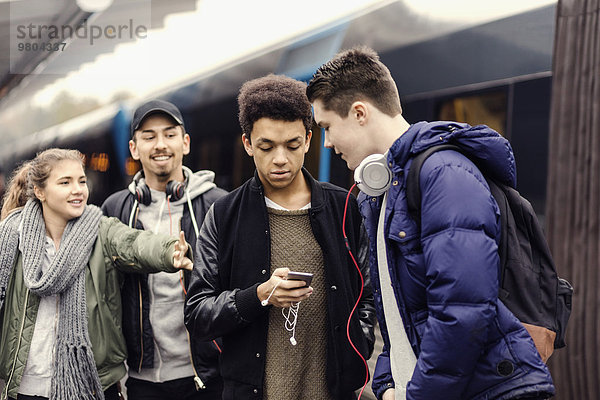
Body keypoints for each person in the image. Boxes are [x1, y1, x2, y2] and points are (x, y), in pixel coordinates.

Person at [306, 46, 555, 400]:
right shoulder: (381, 191)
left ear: (359, 112)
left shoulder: (444, 174)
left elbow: (462, 312)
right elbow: (397, 311)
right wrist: (388, 382)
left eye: (328, 127)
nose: (328, 143)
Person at [184, 74, 376, 399]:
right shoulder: (224, 215)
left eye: (292, 145)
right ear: (247, 144)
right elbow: (198, 314)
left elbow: (367, 295)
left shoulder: (344, 207)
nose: (280, 159)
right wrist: (258, 296)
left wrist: (360, 341)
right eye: (266, 146)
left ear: (308, 140)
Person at [0, 148, 193, 400]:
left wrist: (169, 252)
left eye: (82, 180)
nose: (78, 189)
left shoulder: (101, 229)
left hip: (93, 384)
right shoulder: (12, 236)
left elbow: (136, 244)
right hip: (26, 387)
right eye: (65, 182)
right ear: (40, 192)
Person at [101, 99, 226, 399]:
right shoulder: (115, 209)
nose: (160, 144)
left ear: (185, 143)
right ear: (134, 148)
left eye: (170, 135)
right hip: (141, 377)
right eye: (149, 136)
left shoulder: (219, 205)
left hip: (207, 374)